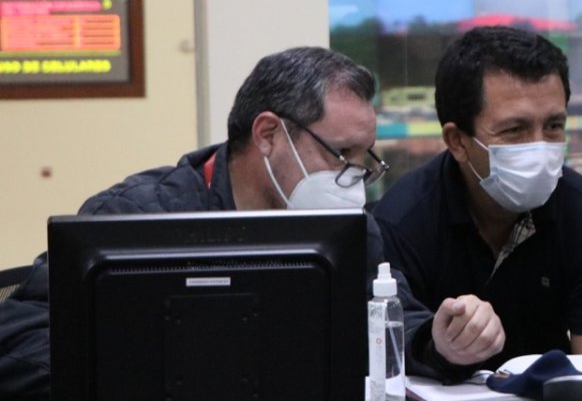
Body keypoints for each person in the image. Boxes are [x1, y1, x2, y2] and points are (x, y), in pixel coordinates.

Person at [0, 47, 505, 399]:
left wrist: (441, 342)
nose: (357, 178)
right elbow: (18, 338)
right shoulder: (138, 216)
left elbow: (393, 321)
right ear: (268, 134)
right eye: (341, 153)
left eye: (364, 156)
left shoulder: (348, 229)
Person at [373, 26, 582, 376]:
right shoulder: (401, 221)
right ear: (457, 141)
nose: (539, 147)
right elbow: (387, 359)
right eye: (514, 130)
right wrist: (440, 346)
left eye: (554, 126)